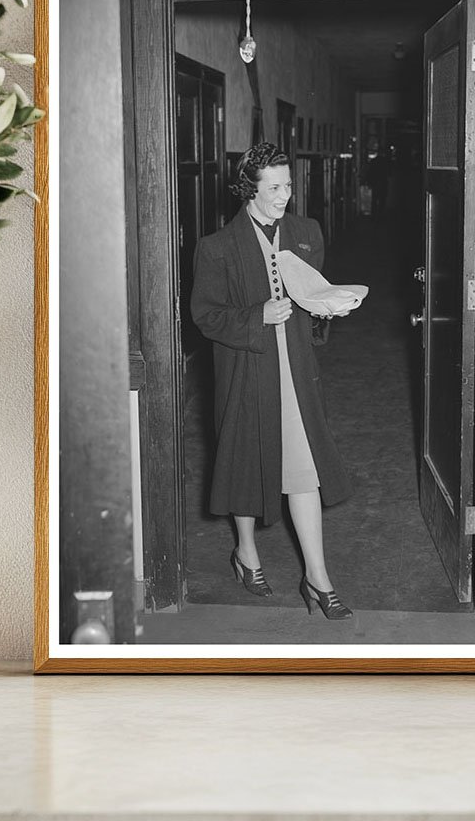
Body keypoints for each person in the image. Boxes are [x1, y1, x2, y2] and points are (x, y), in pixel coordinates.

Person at [190, 142, 354, 620]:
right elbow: (205, 316)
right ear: (250, 189)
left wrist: (326, 309)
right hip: (246, 371)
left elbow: (313, 292)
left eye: (289, 185)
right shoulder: (217, 248)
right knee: (245, 461)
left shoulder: (306, 232)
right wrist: (256, 315)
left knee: (304, 468)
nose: (286, 195)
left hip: (296, 372)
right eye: (276, 187)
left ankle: (317, 578)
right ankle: (246, 551)